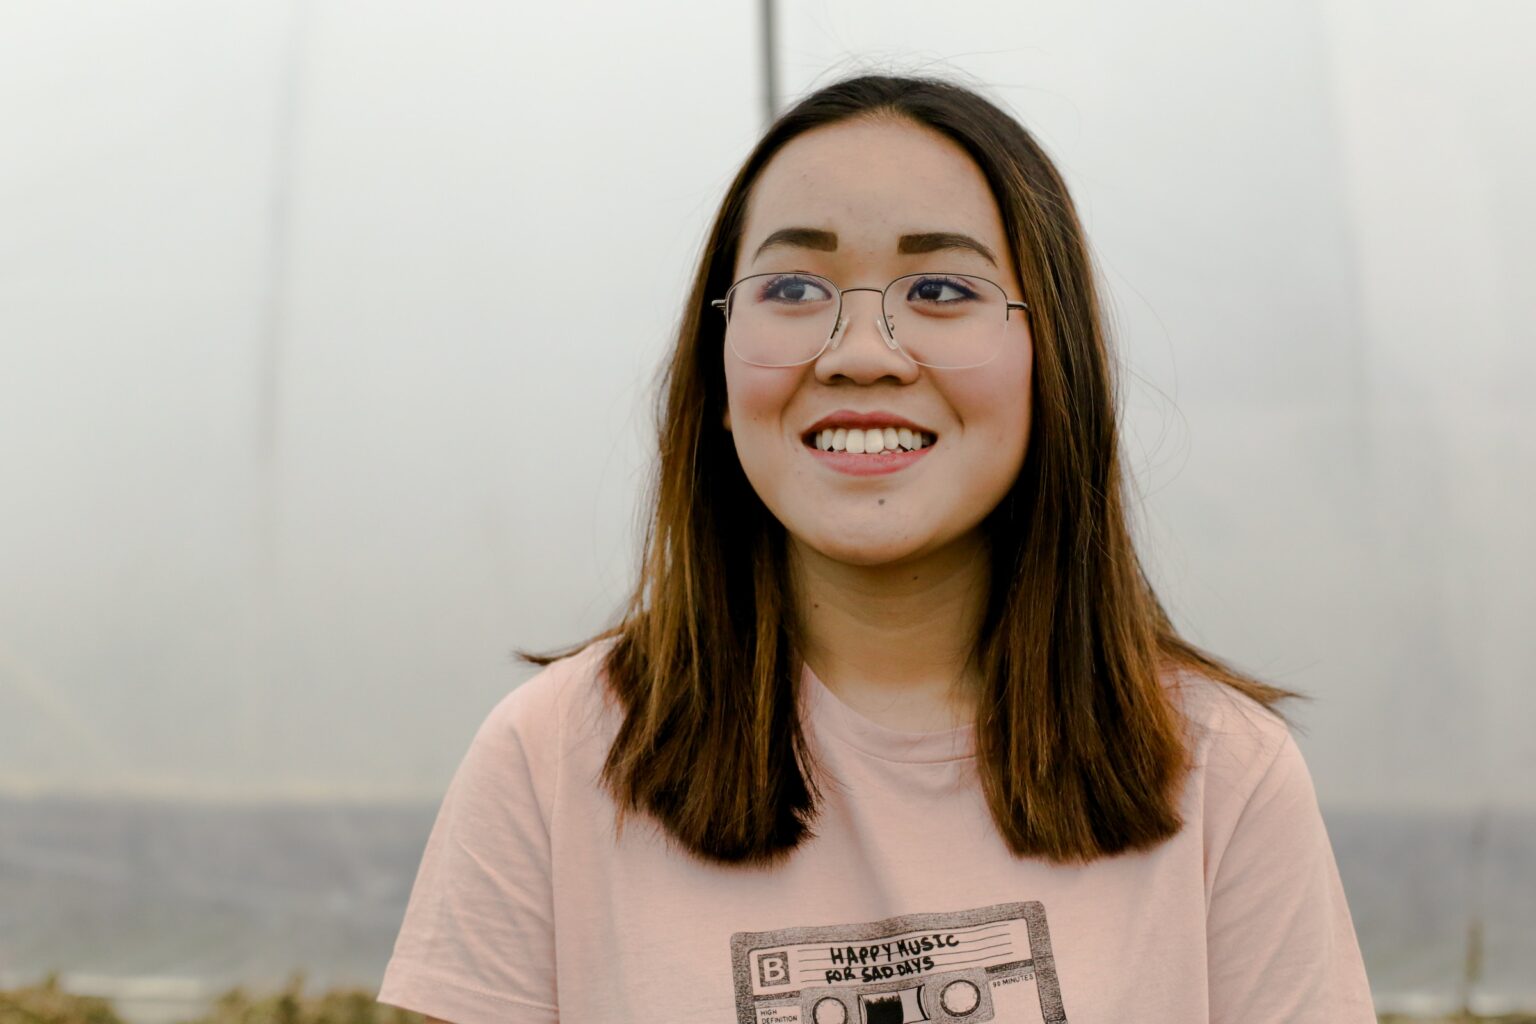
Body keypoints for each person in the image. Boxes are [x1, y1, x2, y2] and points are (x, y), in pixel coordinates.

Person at [376, 72, 1376, 1023]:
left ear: (1049, 359)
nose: (861, 352)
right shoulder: (553, 756)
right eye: (795, 288)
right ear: (716, 370)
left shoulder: (1220, 770)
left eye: (942, 288)